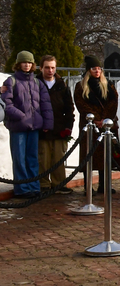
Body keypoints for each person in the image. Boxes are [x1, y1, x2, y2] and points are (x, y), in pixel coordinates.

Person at [1, 51, 53, 198]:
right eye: (24, 62)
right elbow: (7, 103)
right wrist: (21, 116)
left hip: (34, 127)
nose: (27, 65)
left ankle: (33, 186)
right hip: (18, 127)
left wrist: (46, 123)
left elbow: (45, 104)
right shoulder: (11, 81)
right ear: (18, 64)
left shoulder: (37, 82)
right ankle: (22, 189)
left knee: (32, 158)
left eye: (29, 62)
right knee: (19, 158)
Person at [74, 55, 119, 194]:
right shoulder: (81, 86)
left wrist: (105, 119)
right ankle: (88, 187)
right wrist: (96, 119)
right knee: (89, 156)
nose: (97, 71)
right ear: (89, 70)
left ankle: (104, 185)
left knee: (105, 156)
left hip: (105, 124)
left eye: (99, 68)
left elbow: (113, 102)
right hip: (90, 126)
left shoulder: (108, 85)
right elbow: (81, 104)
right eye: (94, 68)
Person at [37, 55, 75, 194]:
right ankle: (43, 184)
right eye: (47, 67)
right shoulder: (36, 83)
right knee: (43, 158)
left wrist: (68, 126)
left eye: (53, 67)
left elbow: (69, 108)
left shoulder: (62, 85)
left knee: (59, 158)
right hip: (42, 128)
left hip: (59, 127)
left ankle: (58, 184)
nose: (50, 70)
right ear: (41, 68)